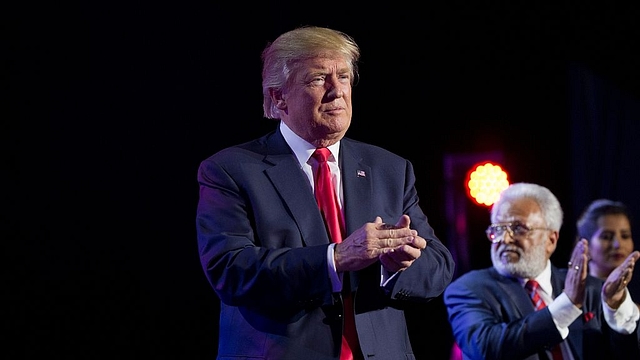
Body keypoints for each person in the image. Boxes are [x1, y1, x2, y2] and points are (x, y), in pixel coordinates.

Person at [195, 26, 455, 360]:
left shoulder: (390, 168)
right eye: (318, 79)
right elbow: (230, 269)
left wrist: (395, 266)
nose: (337, 92)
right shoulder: (231, 169)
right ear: (278, 97)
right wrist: (334, 259)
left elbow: (439, 267)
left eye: (344, 77)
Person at [443, 182, 640, 360]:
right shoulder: (469, 289)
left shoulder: (590, 289)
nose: (505, 239)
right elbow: (485, 348)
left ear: (551, 240)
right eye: (499, 229)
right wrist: (566, 306)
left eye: (518, 228)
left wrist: (616, 308)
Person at [576, 199, 640, 308]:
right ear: (586, 244)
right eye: (606, 237)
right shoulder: (573, 299)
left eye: (625, 236)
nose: (617, 244)